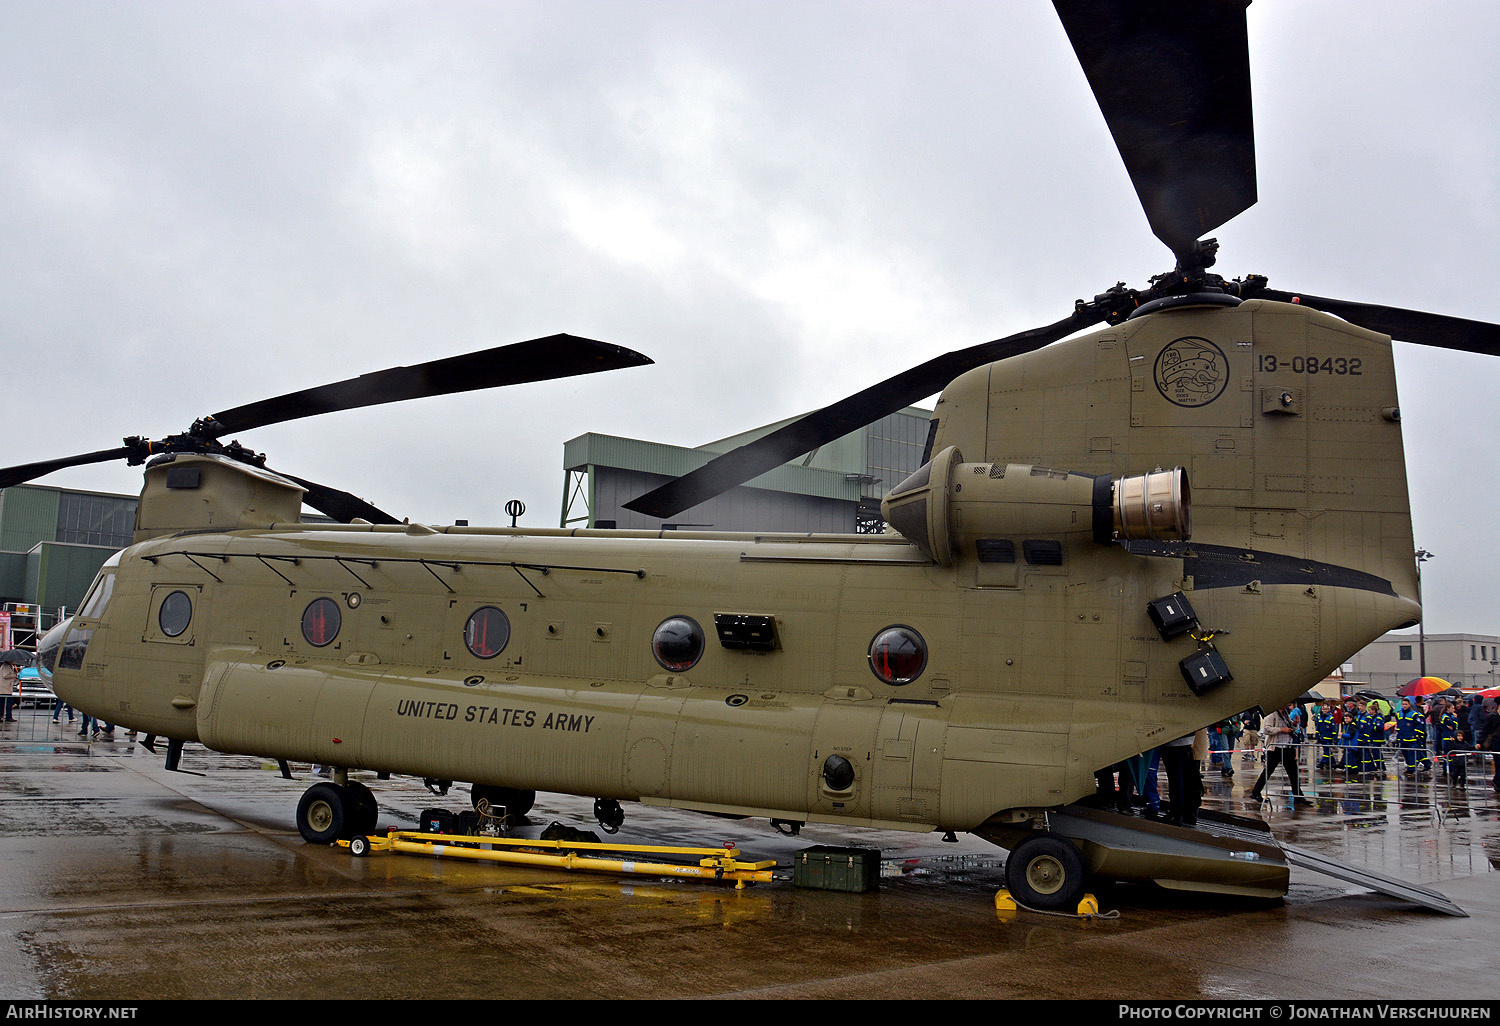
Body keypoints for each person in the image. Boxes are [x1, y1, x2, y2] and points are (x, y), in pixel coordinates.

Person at [1250, 705, 1312, 803]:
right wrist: (1281, 729)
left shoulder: (1286, 714)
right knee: (1268, 772)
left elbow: (1291, 729)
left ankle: (1298, 796)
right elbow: (1266, 730)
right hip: (1275, 748)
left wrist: (1295, 724)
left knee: (1293, 773)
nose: (1288, 705)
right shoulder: (1272, 714)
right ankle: (1255, 792)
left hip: (1287, 747)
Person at [1395, 697, 1431, 776]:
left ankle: (1411, 769)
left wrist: (1417, 735)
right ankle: (1427, 763)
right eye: (1403, 704)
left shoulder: (1414, 714)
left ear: (1409, 705)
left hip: (1411, 737)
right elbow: (1399, 725)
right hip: (1402, 737)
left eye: (1406, 704)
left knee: (1412, 753)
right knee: (1408, 753)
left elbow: (1419, 725)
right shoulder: (1399, 714)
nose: (1404, 706)